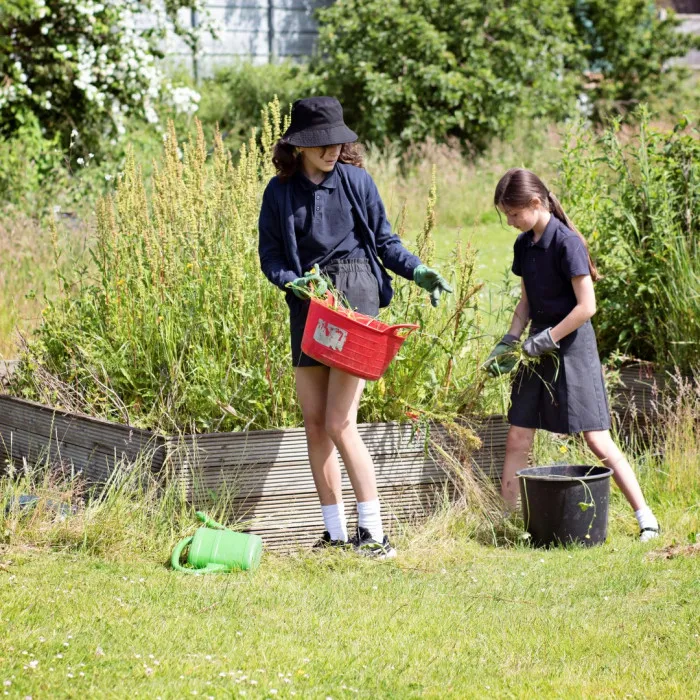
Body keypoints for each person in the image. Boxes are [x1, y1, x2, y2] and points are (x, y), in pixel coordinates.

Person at [258, 96, 452, 558]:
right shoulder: (278, 192)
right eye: (322, 142)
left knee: (340, 420)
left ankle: (376, 535)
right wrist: (293, 282)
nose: (332, 149)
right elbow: (271, 258)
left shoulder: (357, 182)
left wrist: (417, 269)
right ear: (299, 146)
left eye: (338, 141)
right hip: (310, 300)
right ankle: (337, 534)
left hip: (356, 292)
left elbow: (385, 240)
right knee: (314, 423)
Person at [484, 168, 660, 542]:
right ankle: (506, 521)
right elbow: (526, 300)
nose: (511, 221)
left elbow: (587, 306)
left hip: (573, 348)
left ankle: (646, 518)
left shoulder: (567, 243)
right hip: (536, 349)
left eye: (514, 213)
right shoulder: (524, 245)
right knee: (518, 436)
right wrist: (511, 339)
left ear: (535, 203)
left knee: (596, 440)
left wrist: (549, 337)